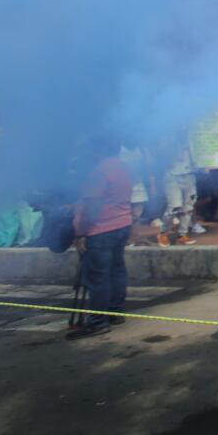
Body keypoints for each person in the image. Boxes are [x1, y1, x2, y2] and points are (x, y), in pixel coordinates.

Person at [68, 139, 134, 340]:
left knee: (98, 277)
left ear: (99, 150)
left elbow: (92, 208)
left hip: (101, 229)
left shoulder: (99, 172)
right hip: (122, 224)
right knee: (116, 270)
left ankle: (98, 322)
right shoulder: (124, 167)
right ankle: (116, 312)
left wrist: (80, 233)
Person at [159, 143, 199, 246]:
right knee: (174, 207)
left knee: (189, 206)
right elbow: (160, 154)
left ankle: (182, 234)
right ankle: (163, 233)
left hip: (190, 174)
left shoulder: (194, 136)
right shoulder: (168, 136)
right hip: (172, 175)